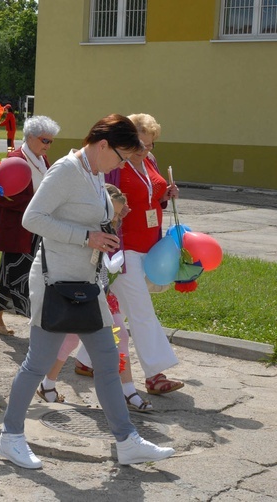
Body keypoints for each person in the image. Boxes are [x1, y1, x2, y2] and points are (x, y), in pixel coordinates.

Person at [0, 113, 175, 469]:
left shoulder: (93, 173)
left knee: (108, 363)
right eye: (121, 156)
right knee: (37, 364)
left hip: (88, 283)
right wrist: (87, 237)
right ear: (103, 144)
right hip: (56, 284)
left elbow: (87, 216)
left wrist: (104, 233)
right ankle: (10, 437)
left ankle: (126, 441)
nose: (121, 164)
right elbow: (32, 218)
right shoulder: (65, 170)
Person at [74, 113, 184, 396]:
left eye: (150, 144)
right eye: (141, 144)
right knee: (141, 311)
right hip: (123, 247)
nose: (146, 150)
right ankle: (155, 374)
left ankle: (86, 361)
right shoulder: (116, 164)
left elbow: (150, 193)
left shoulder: (149, 161)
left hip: (149, 244)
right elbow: (104, 199)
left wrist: (163, 195)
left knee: (117, 310)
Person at [36, 185, 153, 413]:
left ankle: (128, 390)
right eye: (114, 212)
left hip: (102, 295)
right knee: (69, 340)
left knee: (119, 335)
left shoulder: (108, 228)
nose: (117, 218)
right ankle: (47, 384)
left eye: (119, 214)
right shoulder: (86, 228)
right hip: (81, 293)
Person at [0, 115, 60, 336]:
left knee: (27, 273)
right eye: (44, 140)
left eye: (51, 141)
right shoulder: (15, 159)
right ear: (29, 137)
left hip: (36, 228)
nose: (48, 145)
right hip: (17, 229)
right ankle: (33, 323)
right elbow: (6, 196)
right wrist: (39, 201)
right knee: (14, 273)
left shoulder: (41, 159)